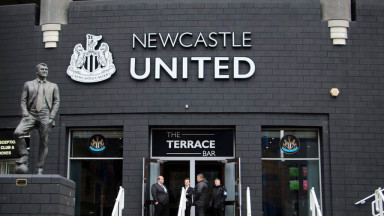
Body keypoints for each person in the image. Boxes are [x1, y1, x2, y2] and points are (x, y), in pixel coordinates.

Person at [13, 63, 60, 175]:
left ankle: (40, 168)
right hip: (31, 115)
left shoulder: (53, 86)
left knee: (44, 142)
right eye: (42, 69)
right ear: (37, 71)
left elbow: (56, 102)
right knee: (17, 133)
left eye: (46, 69)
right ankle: (24, 155)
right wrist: (25, 113)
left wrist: (51, 117)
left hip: (45, 116)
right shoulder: (28, 84)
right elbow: (23, 101)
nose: (44, 71)